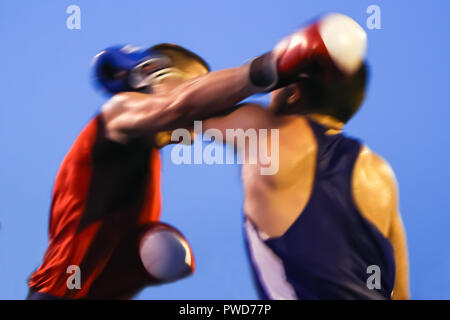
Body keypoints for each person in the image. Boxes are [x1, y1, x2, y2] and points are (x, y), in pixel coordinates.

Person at [27, 23, 318, 299]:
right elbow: (178, 105)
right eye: (197, 89)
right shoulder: (117, 114)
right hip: (55, 295)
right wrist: (274, 67)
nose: (199, 116)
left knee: (163, 250)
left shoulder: (143, 159)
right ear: (151, 73)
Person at [204, 13, 410, 299]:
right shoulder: (381, 174)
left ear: (294, 92)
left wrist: (265, 70)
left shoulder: (271, 133)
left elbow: (186, 109)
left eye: (279, 85)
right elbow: (401, 295)